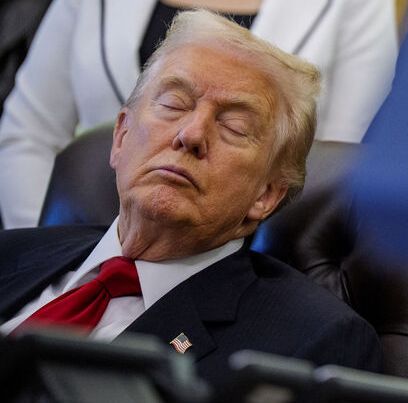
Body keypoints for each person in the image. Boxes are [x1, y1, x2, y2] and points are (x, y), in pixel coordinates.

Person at [0, 9, 382, 394]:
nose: (192, 134)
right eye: (173, 104)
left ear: (266, 194)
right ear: (121, 137)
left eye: (234, 127)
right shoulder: (11, 252)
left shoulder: (313, 341)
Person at [0, 0, 398, 228]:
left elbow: (338, 171)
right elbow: (27, 133)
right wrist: (60, 257)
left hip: (235, 268)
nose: (189, 134)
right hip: (76, 249)